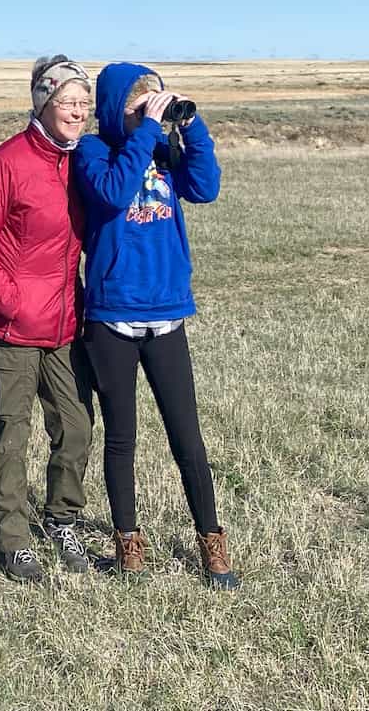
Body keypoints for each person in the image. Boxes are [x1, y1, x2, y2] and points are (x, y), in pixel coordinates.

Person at [73, 62, 238, 589]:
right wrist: (146, 130)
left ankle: (211, 540)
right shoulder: (92, 151)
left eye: (155, 103)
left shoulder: (163, 150)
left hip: (166, 312)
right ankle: (128, 542)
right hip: (113, 314)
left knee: (187, 436)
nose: (149, 114)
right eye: (137, 105)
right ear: (114, 109)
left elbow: (205, 188)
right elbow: (115, 193)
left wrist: (190, 127)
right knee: (121, 436)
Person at [0, 55, 95, 584]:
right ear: (43, 103)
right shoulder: (4, 164)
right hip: (10, 330)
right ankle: (13, 538)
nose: (78, 111)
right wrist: (13, 301)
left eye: (84, 102)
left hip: (64, 327)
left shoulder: (80, 164)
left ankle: (63, 519)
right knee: (13, 436)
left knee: (76, 427)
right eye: (67, 101)